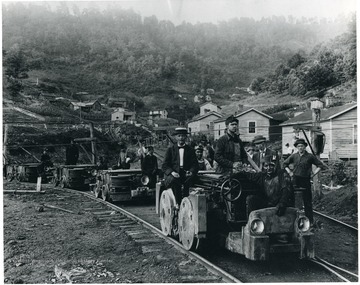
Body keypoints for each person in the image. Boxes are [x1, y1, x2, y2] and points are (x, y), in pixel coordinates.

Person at [283, 138, 325, 225]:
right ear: (297, 147)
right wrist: (290, 172)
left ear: (305, 147)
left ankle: (310, 221)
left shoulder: (310, 156)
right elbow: (284, 164)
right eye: (298, 146)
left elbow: (320, 165)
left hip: (305, 180)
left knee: (307, 201)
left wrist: (314, 174)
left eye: (302, 146)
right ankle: (293, 220)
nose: (300, 148)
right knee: (293, 200)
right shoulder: (294, 156)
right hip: (295, 180)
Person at [162, 127, 199, 204]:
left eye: (183, 136)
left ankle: (187, 202)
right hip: (174, 174)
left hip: (185, 173)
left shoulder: (190, 150)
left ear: (186, 137)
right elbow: (165, 165)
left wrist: (191, 171)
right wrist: (172, 172)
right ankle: (177, 203)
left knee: (192, 181)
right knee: (175, 182)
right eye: (179, 136)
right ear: (176, 137)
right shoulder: (170, 150)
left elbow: (195, 164)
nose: (181, 138)